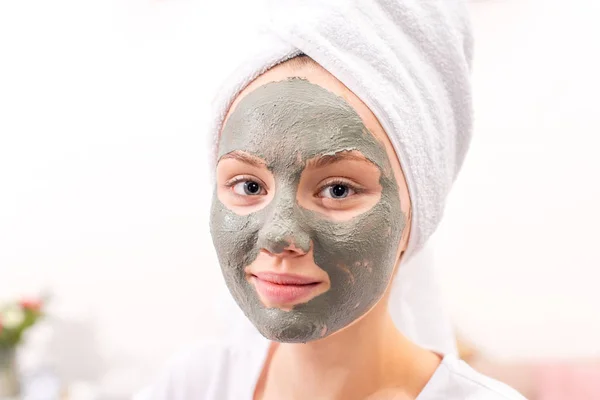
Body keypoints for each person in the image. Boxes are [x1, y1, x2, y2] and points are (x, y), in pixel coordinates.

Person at [136, 1, 527, 399]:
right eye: (249, 186)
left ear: (415, 215)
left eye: (337, 190)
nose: (279, 236)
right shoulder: (192, 384)